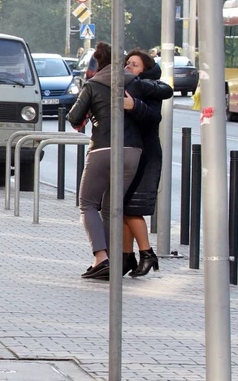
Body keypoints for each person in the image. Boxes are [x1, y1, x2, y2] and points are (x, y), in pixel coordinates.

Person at [66, 42, 152, 281]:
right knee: (112, 206)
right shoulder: (135, 82)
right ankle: (113, 261)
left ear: (98, 63)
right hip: (133, 151)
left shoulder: (93, 85)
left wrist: (90, 115)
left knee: (88, 203)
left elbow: (74, 119)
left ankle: (101, 257)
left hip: (103, 148)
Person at [121, 49, 174, 277]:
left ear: (145, 69)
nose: (129, 67)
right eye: (127, 63)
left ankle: (147, 253)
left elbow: (155, 116)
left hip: (146, 154)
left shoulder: (149, 87)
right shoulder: (128, 86)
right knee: (122, 208)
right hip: (128, 152)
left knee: (133, 207)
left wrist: (134, 106)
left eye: (135, 64)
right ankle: (126, 257)